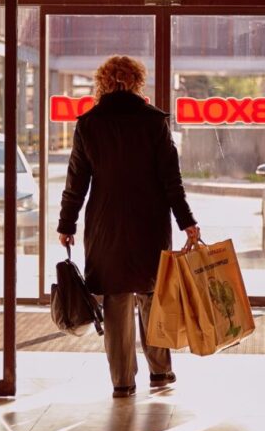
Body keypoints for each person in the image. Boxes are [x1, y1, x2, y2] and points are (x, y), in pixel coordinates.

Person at [57, 55, 200, 398]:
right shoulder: (153, 122)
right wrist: (187, 222)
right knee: (153, 296)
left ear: (103, 83)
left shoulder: (89, 124)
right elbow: (171, 181)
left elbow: (76, 181)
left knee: (116, 301)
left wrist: (67, 223)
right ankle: (161, 371)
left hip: (105, 226)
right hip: (149, 224)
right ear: (137, 82)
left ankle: (122, 380)